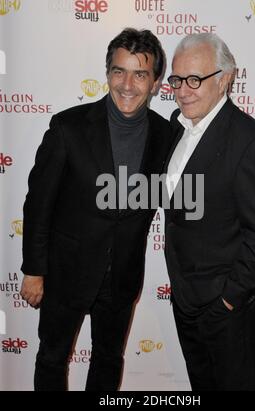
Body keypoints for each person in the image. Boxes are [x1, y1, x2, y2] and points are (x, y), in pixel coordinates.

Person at [20, 28, 171, 391]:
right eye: (119, 71)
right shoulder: (68, 127)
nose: (127, 84)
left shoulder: (167, 137)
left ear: (155, 83)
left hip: (122, 274)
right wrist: (34, 271)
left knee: (107, 358)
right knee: (52, 357)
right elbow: (38, 203)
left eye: (140, 74)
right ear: (107, 74)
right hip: (64, 271)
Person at [164, 33, 255, 391]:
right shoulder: (177, 125)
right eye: (177, 79)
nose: (183, 90)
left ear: (225, 78)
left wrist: (230, 299)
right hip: (184, 298)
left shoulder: (250, 141)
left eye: (195, 80)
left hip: (225, 305)